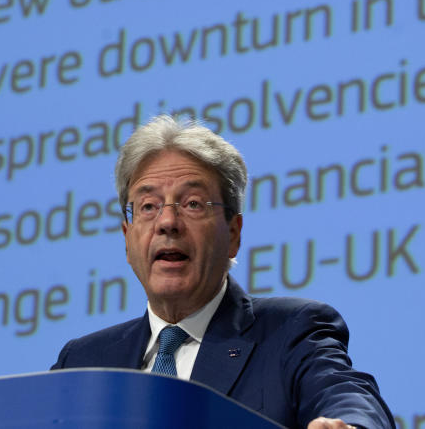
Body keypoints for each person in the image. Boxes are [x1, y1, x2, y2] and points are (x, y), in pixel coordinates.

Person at [52, 115, 395, 429]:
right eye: (148, 206)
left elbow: (348, 395)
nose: (167, 223)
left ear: (233, 234)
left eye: (192, 204)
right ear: (127, 239)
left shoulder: (290, 332)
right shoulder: (81, 363)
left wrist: (350, 426)